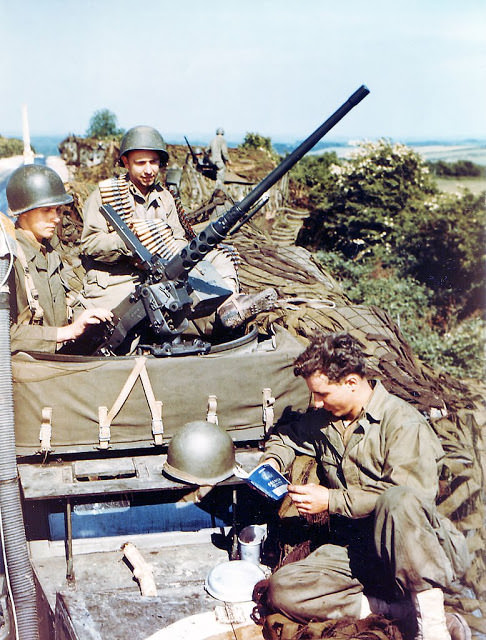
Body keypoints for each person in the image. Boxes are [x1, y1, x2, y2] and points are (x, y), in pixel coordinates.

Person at [261, 331, 471, 640]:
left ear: (351, 383)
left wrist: (330, 501)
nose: (315, 402)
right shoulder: (326, 419)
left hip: (412, 548)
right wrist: (273, 463)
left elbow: (410, 502)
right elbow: (287, 435)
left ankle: (434, 626)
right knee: (282, 591)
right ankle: (398, 611)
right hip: (358, 550)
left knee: (399, 500)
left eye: (322, 394)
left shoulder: (402, 423)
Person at [80, 125, 276, 337]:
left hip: (160, 273)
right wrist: (127, 243)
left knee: (218, 257)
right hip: (120, 278)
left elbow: (177, 240)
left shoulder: (164, 198)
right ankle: (213, 320)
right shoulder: (104, 195)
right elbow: (90, 244)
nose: (148, 170)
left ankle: (228, 305)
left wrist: (193, 257)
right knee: (127, 325)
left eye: (153, 162)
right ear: (125, 162)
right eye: (140, 163)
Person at [5, 164, 112, 353]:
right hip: (28, 369)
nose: (56, 218)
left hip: (56, 359)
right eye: (46, 210)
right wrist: (66, 333)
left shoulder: (51, 252)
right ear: (23, 211)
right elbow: (6, 335)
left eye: (56, 210)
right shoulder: (9, 261)